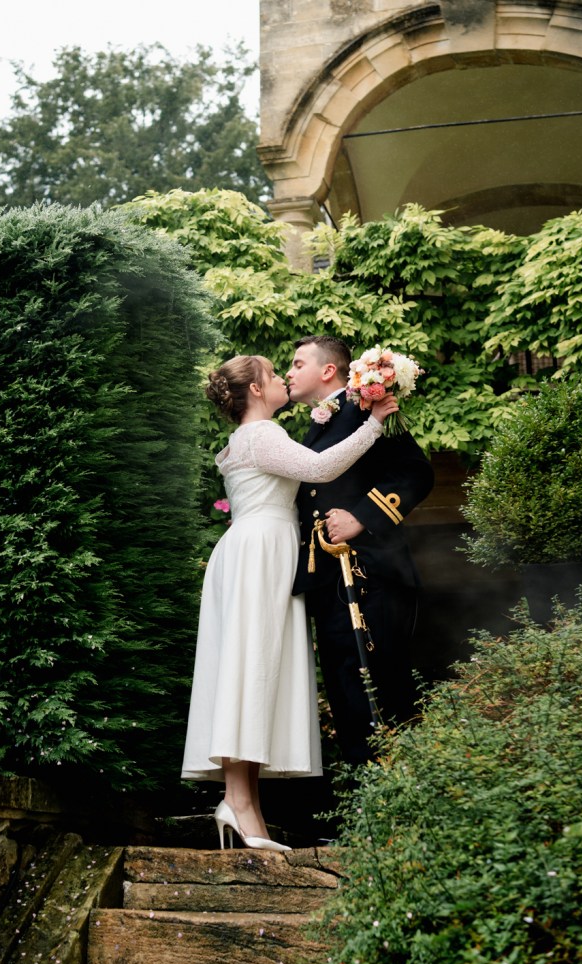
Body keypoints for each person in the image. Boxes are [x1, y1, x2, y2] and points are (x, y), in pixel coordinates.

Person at [181, 354, 397, 851]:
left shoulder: (244, 439)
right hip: (261, 553)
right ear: (256, 390)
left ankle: (244, 806)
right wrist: (374, 422)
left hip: (252, 550)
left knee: (249, 672)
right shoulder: (262, 435)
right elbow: (320, 468)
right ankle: (239, 804)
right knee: (251, 670)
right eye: (273, 374)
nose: (281, 379)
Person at [287, 335, 435, 765]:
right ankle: (362, 802)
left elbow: (415, 473)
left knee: (381, 685)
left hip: (374, 573)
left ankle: (398, 795)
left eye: (298, 364)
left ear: (327, 370)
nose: (290, 372)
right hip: (330, 578)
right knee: (346, 688)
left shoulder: (368, 407)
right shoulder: (319, 421)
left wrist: (361, 516)